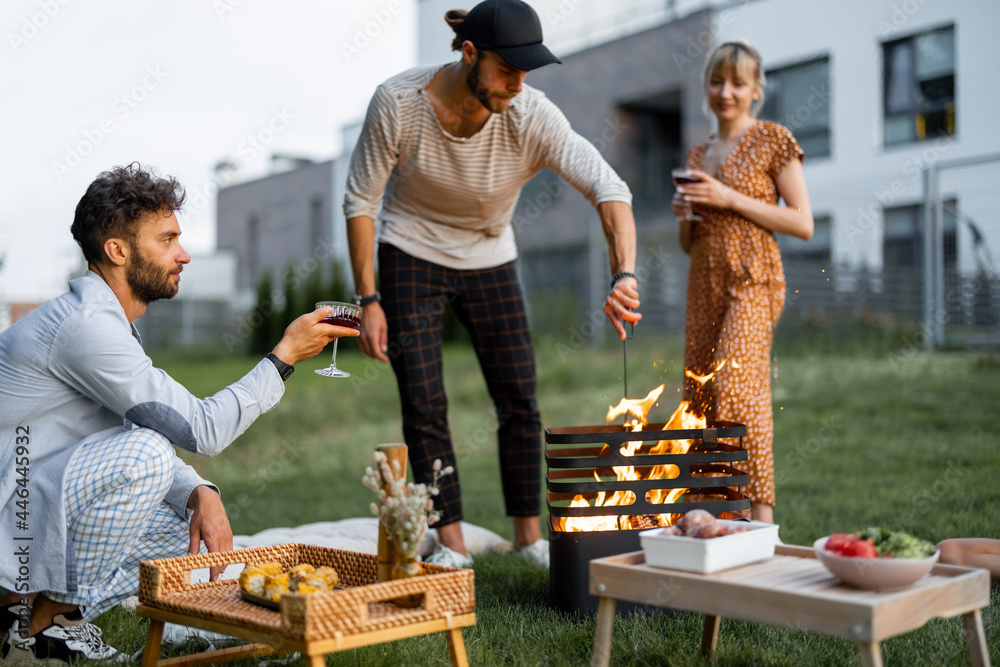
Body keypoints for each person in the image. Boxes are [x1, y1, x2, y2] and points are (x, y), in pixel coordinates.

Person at [0, 163, 357, 663]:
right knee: (146, 455)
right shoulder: (85, 328)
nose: (183, 254)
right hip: (11, 517)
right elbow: (199, 429)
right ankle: (40, 630)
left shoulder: (108, 322)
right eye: (167, 239)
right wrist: (285, 357)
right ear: (118, 251)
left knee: (187, 552)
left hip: (40, 499)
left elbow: (129, 426)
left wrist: (198, 492)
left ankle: (32, 613)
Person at [344, 0, 641, 566]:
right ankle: (450, 541)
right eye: (508, 70)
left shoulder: (532, 114)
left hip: (490, 253)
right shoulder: (397, 103)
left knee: (520, 399)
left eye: (526, 72)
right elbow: (360, 200)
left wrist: (623, 273)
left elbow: (611, 188)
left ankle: (529, 538)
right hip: (409, 248)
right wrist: (369, 300)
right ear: (470, 53)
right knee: (425, 405)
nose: (517, 84)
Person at [672, 41, 814, 524]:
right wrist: (686, 215)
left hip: (755, 275)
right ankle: (716, 514)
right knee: (703, 393)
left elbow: (802, 222)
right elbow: (690, 243)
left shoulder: (773, 139)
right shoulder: (697, 152)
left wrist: (727, 197)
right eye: (716, 81)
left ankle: (761, 516)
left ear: (756, 90)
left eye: (737, 82)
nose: (725, 91)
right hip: (704, 276)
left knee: (738, 386)